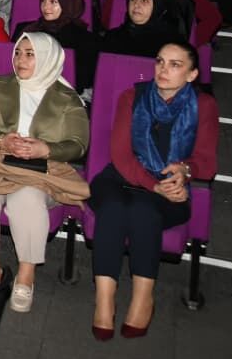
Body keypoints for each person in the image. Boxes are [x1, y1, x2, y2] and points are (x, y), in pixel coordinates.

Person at [91, 43, 218, 340]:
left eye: (175, 64)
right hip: (122, 178)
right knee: (112, 208)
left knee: (143, 210)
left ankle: (142, 298)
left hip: (170, 188)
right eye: (160, 61)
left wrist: (185, 170)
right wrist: (154, 186)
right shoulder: (132, 96)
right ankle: (104, 301)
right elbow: (121, 156)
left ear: (192, 74)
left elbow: (207, 162)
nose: (163, 69)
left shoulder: (204, 105)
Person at [0, 32, 90, 314]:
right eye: (18, 53)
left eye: (30, 54)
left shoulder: (67, 98)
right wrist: (0, 139)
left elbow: (79, 143)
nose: (21, 60)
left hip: (40, 171)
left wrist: (46, 149)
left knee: (26, 200)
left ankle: (26, 274)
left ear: (47, 58)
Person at [15, 0, 102, 93]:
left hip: (63, 95)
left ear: (68, 3)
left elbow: (84, 79)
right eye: (43, 0)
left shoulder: (85, 39)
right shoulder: (27, 29)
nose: (46, 7)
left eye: (53, 2)